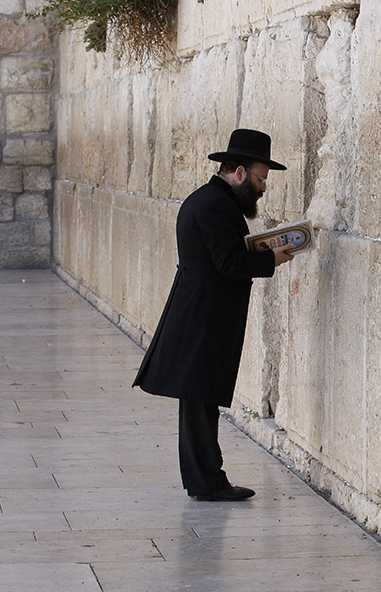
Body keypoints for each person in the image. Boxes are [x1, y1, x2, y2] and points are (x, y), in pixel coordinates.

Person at [132, 128, 295, 501]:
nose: (262, 188)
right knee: (199, 400)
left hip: (199, 313)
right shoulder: (215, 205)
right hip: (203, 318)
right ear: (238, 173)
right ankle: (208, 483)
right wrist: (273, 257)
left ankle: (204, 480)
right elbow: (228, 262)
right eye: (259, 179)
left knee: (197, 401)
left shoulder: (209, 200)